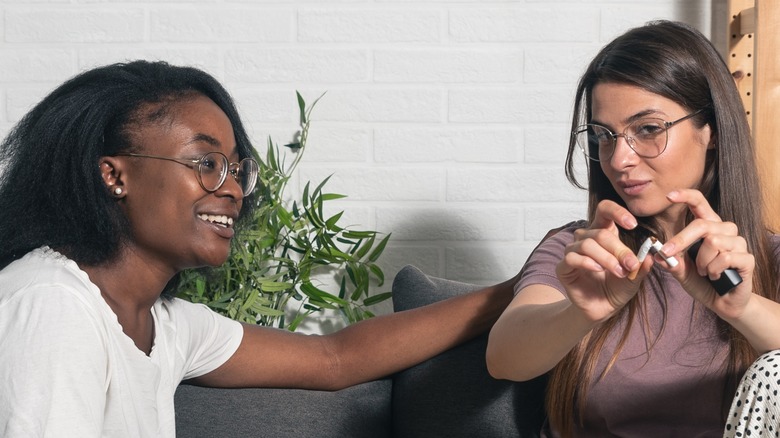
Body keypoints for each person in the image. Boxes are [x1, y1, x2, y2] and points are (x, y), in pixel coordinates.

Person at [0, 60, 518, 437]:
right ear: (115, 175)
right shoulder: (54, 305)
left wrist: (523, 287)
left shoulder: (165, 324)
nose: (231, 188)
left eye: (235, 168)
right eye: (205, 162)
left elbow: (334, 360)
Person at [485, 20, 780, 437]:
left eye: (647, 129)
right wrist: (579, 312)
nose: (619, 159)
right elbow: (504, 358)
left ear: (710, 131)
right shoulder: (581, 250)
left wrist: (742, 309)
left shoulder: (766, 259)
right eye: (605, 135)